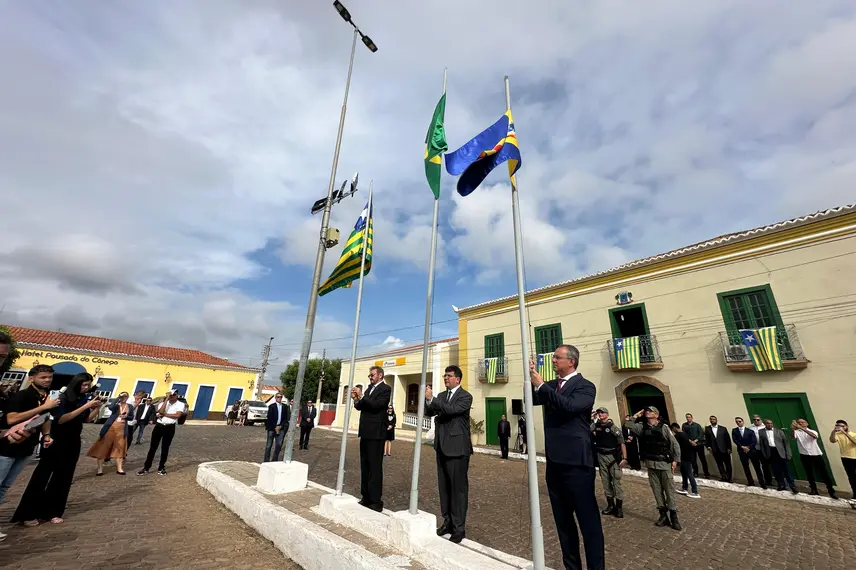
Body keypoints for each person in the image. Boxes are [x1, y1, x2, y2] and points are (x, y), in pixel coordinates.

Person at [529, 345, 604, 570]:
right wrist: (531, 377)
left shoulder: (585, 386)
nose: (552, 361)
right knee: (563, 524)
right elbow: (532, 399)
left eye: (557, 358)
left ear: (571, 361)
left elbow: (570, 407)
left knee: (588, 522)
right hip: (555, 463)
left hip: (577, 464)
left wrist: (541, 385)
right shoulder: (551, 386)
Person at [11, 372, 102, 526]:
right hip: (57, 439)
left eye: (88, 385)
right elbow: (61, 419)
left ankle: (53, 512)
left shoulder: (82, 399)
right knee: (43, 476)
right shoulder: (63, 398)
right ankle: (28, 513)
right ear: (76, 383)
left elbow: (86, 419)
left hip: (73, 441)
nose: (86, 388)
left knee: (64, 478)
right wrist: (85, 406)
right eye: (84, 385)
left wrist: (96, 408)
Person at [424, 365, 473, 544]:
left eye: (449, 376)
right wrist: (429, 401)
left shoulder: (465, 396)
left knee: (458, 490)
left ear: (457, 379)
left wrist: (434, 401)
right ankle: (448, 522)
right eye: (444, 375)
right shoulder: (442, 396)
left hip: (458, 450)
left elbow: (452, 410)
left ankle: (459, 528)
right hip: (442, 447)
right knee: (444, 488)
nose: (445, 378)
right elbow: (431, 412)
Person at [0, 365, 59, 505]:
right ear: (31, 378)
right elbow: (11, 419)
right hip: (9, 446)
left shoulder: (47, 396)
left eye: (50, 377)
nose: (47, 380)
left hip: (27, 447)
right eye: (43, 377)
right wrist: (44, 407)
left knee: (6, 486)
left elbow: (45, 416)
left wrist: (46, 435)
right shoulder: (22, 395)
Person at [624, 407, 681, 531]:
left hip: (663, 464)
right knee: (657, 490)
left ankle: (674, 516)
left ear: (657, 414)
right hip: (650, 463)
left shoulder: (664, 427)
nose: (647, 412)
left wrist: (675, 461)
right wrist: (636, 415)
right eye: (646, 411)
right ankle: (662, 515)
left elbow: (674, 444)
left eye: (650, 411)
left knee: (669, 490)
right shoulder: (641, 427)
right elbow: (628, 425)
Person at [352, 366, 391, 512]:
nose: (370, 377)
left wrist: (362, 396)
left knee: (375, 467)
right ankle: (366, 496)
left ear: (380, 375)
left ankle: (375, 500)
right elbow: (361, 406)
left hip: (376, 433)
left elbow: (376, 406)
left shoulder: (385, 389)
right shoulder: (369, 389)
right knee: (365, 465)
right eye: (369, 375)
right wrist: (356, 399)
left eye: (372, 375)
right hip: (366, 432)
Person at [137, 390, 187, 476]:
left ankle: (161, 467)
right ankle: (146, 467)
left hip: (170, 427)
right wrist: (166, 400)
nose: (172, 396)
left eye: (173, 395)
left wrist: (165, 414)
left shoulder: (180, 404)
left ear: (177, 395)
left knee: (165, 448)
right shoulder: (163, 403)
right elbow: (160, 411)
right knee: (152, 448)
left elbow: (177, 415)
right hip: (159, 426)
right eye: (170, 395)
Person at [590, 407, 626, 518]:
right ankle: (610, 505)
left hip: (612, 457)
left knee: (616, 482)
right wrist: (591, 418)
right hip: (601, 455)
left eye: (602, 413)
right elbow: (588, 430)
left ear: (607, 414)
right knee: (605, 482)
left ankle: (619, 508)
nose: (600, 415)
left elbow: (621, 442)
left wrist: (625, 458)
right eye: (599, 413)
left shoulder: (612, 427)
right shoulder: (595, 426)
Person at [87, 391, 131, 475]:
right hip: (110, 428)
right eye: (123, 396)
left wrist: (126, 416)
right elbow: (111, 407)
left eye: (126, 396)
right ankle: (100, 469)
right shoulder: (116, 406)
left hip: (121, 430)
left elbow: (131, 417)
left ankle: (119, 468)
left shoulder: (130, 406)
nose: (124, 398)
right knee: (103, 448)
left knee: (120, 449)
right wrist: (118, 397)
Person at [790, 418, 836, 498]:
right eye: (799, 422)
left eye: (802, 422)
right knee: (809, 473)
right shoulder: (797, 432)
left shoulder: (813, 431)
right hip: (804, 455)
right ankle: (813, 489)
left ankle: (831, 491)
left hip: (816, 454)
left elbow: (814, 436)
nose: (800, 424)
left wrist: (802, 429)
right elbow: (792, 437)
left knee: (824, 473)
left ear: (806, 424)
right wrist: (792, 428)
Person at [758, 419, 797, 494]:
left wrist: (788, 454)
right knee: (776, 470)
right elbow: (762, 444)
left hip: (781, 452)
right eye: (768, 423)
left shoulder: (779, 431)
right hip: (771, 452)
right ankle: (781, 484)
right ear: (765, 424)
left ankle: (792, 486)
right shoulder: (761, 432)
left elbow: (786, 443)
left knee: (786, 470)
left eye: (771, 423)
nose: (769, 425)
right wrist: (765, 454)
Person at [732, 417, 764, 488]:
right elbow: (735, 440)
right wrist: (742, 447)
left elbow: (754, 441)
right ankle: (750, 482)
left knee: (757, 467)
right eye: (737, 422)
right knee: (746, 467)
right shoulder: (734, 430)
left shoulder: (750, 431)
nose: (738, 423)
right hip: (741, 451)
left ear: (743, 422)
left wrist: (748, 447)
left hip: (752, 451)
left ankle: (762, 483)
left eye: (740, 421)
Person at [671, 423, 700, 498]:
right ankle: (684, 488)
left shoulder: (678, 435)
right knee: (684, 473)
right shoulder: (684, 434)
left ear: (674, 428)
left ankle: (695, 491)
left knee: (690, 474)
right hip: (684, 457)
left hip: (686, 457)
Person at [829, 420, 856, 498]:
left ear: (846, 426)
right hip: (845, 458)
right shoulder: (838, 434)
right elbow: (832, 440)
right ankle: (855, 494)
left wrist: (844, 432)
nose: (840, 427)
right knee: (851, 477)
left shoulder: (853, 434)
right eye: (838, 425)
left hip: (854, 457)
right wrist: (834, 431)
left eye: (842, 426)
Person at [704, 415, 733, 482]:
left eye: (714, 419)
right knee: (719, 464)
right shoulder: (707, 429)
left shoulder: (723, 428)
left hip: (724, 449)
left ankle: (729, 477)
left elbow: (727, 439)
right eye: (711, 419)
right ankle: (723, 476)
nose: (712, 420)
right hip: (715, 450)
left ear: (716, 420)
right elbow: (707, 439)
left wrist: (729, 448)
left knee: (728, 464)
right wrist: (708, 446)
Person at [681, 413, 709, 478]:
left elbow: (701, 434)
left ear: (692, 418)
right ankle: (695, 472)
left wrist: (696, 440)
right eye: (687, 417)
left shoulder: (697, 425)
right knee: (693, 460)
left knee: (703, 459)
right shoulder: (684, 425)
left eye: (689, 417)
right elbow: (684, 435)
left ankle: (706, 473)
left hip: (699, 445)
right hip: (690, 446)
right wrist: (690, 441)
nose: (688, 418)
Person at [263, 393, 289, 462]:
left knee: (279, 445)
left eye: (280, 397)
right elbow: (270, 418)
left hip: (281, 428)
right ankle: (266, 460)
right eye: (278, 397)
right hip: (272, 428)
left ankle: (274, 459)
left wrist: (280, 426)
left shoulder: (285, 407)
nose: (279, 398)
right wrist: (275, 427)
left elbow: (286, 419)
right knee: (269, 445)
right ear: (275, 398)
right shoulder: (271, 406)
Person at [748, 415, 773, 486]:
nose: (756, 421)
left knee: (766, 466)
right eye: (754, 420)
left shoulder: (765, 426)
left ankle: (769, 481)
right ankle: (761, 481)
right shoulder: (750, 428)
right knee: (757, 466)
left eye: (758, 419)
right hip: (755, 449)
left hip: (764, 449)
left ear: (761, 420)